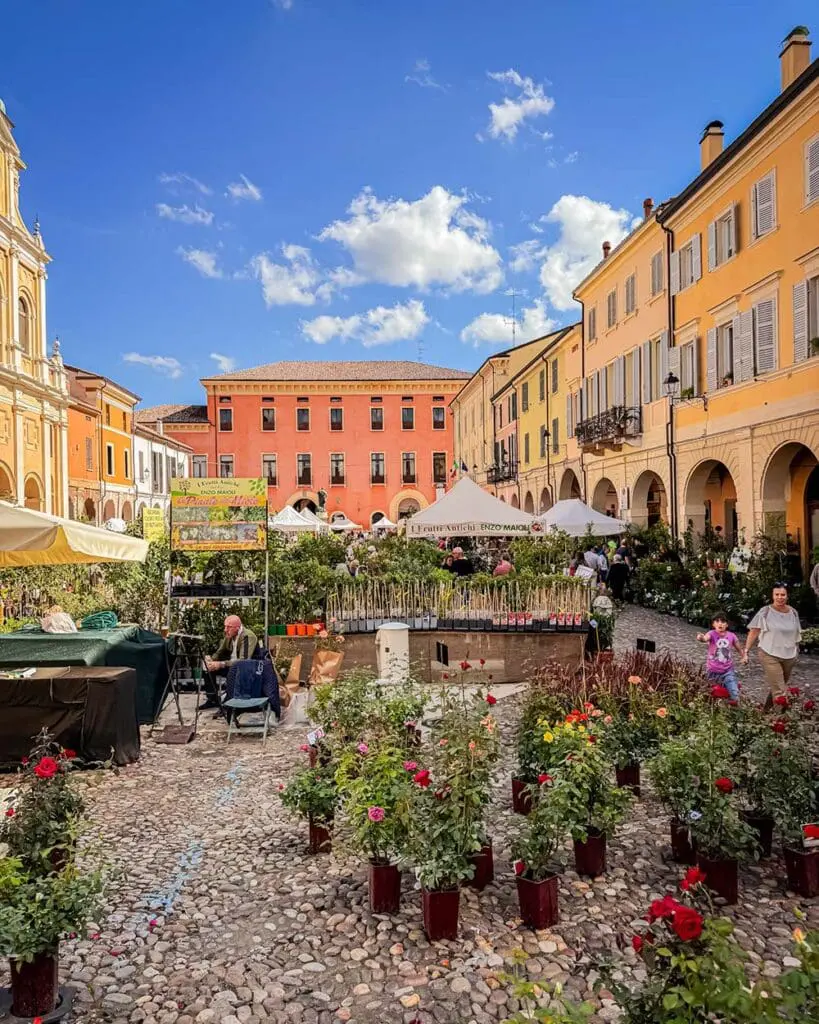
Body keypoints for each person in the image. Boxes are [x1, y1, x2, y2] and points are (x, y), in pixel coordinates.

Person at [744, 584, 802, 700]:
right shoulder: (765, 611)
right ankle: (781, 717)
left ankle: (767, 712)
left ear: (787, 596)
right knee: (780, 690)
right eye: (777, 594)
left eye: (783, 595)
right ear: (772, 596)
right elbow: (754, 631)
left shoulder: (793, 612)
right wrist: (746, 651)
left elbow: (796, 633)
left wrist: (796, 650)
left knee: (778, 685)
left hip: (789, 655)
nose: (780, 597)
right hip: (769, 653)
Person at [202, 615, 259, 710]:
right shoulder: (230, 635)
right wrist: (211, 660)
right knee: (208, 669)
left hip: (246, 669)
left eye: (228, 627)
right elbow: (219, 652)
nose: (225, 630)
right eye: (225, 626)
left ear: (237, 627)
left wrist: (221, 664)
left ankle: (229, 704)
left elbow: (243, 661)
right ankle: (212, 699)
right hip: (232, 665)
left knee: (232, 673)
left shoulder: (247, 636)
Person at [696, 613, 746, 700]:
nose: (720, 624)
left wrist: (744, 656)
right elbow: (705, 638)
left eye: (723, 621)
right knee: (713, 694)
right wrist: (701, 638)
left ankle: (736, 703)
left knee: (734, 692)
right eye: (717, 621)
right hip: (712, 671)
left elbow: (739, 648)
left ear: (727, 624)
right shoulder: (711, 633)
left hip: (727, 670)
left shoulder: (732, 636)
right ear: (713, 624)